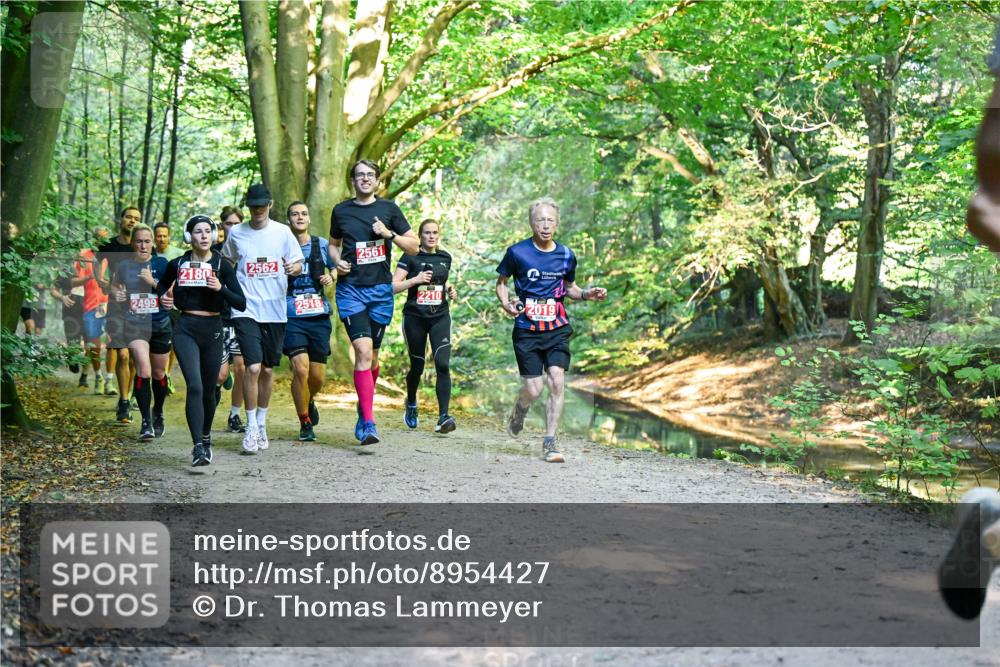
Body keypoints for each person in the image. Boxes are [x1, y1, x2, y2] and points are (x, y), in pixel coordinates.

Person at [495, 197, 608, 463]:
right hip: (526, 328)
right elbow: (501, 282)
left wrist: (588, 294)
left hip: (557, 328)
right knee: (533, 390)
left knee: (556, 379)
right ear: (532, 223)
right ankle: (520, 409)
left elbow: (571, 289)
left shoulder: (567, 255)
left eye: (550, 220)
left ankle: (550, 441)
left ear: (556, 223)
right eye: (540, 220)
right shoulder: (517, 252)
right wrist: (506, 304)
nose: (545, 225)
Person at [329, 159, 418, 445]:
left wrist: (388, 234)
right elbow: (332, 244)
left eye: (370, 175)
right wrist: (337, 260)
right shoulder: (341, 210)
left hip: (380, 292)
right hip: (350, 290)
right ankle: (369, 422)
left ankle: (362, 404)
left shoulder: (389, 210)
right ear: (352, 180)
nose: (365, 179)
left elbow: (414, 246)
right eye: (359, 175)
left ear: (377, 180)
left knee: (373, 357)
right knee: (363, 352)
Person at [222, 184, 303, 454]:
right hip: (246, 308)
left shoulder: (282, 232)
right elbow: (226, 262)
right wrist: (229, 291)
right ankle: (250, 427)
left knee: (268, 370)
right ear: (248, 207)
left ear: (269, 204)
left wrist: (294, 267)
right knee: (252, 368)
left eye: (262, 205)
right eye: (253, 205)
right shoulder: (237, 234)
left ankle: (262, 422)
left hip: (275, 310)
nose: (257, 210)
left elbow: (297, 262)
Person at [158, 215, 246, 466]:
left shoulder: (223, 265)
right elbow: (161, 288)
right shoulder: (177, 264)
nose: (204, 236)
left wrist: (221, 288)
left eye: (208, 231)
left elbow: (241, 302)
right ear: (189, 237)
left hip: (213, 329)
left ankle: (206, 436)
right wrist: (164, 299)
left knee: (209, 390)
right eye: (198, 231)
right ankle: (198, 446)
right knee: (194, 386)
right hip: (185, 327)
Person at [392, 218, 459, 433]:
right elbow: (393, 286)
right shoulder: (410, 256)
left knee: (443, 364)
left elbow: (442, 279)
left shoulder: (445, 257)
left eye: (435, 232)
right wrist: (416, 280)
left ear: (439, 235)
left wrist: (449, 289)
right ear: (420, 236)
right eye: (427, 233)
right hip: (415, 317)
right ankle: (411, 401)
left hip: (440, 316)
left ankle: (443, 417)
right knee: (418, 366)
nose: (431, 236)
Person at [108, 224, 172, 440]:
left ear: (152, 243)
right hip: (135, 323)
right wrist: (117, 294)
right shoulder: (124, 265)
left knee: (158, 374)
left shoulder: (162, 264)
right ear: (133, 243)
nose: (143, 245)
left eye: (147, 241)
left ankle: (158, 413)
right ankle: (146, 422)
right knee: (143, 370)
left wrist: (152, 282)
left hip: (160, 323)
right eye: (139, 241)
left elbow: (172, 291)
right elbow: (114, 285)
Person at [283, 201, 336, 442]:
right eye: (295, 214)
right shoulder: (280, 245)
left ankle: (309, 399)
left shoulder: (321, 245)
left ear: (309, 218)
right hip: (291, 315)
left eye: (304, 213)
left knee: (317, 377)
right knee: (300, 368)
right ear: (288, 220)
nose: (300, 217)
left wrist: (330, 276)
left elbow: (338, 268)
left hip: (318, 315)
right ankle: (304, 421)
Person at [97, 206, 142, 421]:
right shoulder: (109, 245)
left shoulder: (140, 247)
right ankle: (124, 402)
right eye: (129, 217)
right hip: (115, 305)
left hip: (138, 307)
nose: (132, 221)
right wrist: (101, 281)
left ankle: (129, 394)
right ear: (121, 219)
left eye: (136, 219)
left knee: (133, 357)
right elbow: (98, 265)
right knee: (122, 353)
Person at [213, 206, 247, 433]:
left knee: (243, 367)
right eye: (228, 224)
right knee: (220, 375)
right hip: (218, 318)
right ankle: (215, 388)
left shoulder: (248, 250)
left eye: (237, 224)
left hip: (242, 317)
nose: (232, 228)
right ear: (221, 226)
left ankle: (235, 415)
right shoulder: (213, 254)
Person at [154, 222, 183, 393]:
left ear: (169, 236)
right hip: (152, 305)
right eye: (159, 235)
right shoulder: (149, 252)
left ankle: (166, 373)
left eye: (165, 235)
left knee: (171, 342)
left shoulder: (178, 254)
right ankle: (156, 374)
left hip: (173, 304)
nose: (162, 238)